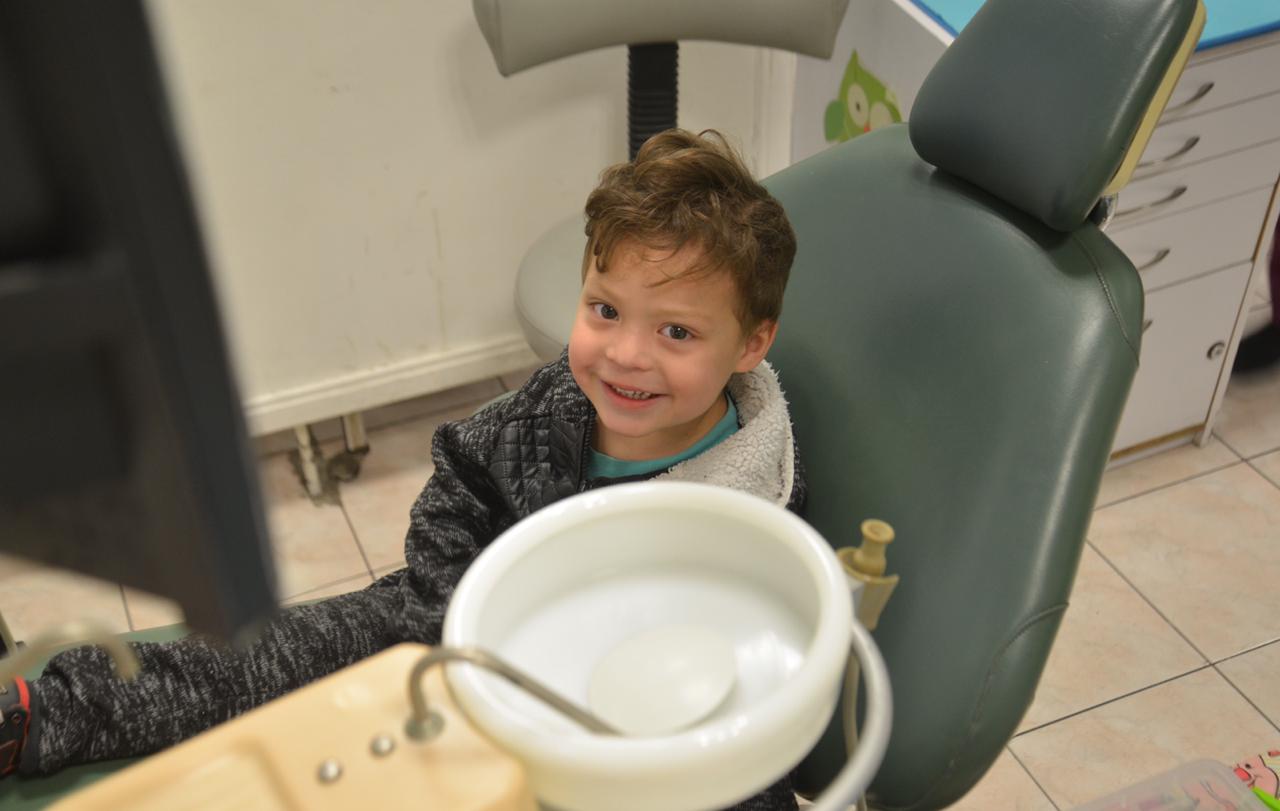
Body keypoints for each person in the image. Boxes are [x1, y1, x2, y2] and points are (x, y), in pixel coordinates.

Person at [0, 129, 807, 810]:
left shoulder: (750, 518)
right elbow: (463, 472)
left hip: (613, 728)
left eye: (676, 332)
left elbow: (753, 720)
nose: (626, 353)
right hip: (456, 625)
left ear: (750, 343)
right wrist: (457, 612)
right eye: (605, 310)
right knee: (265, 655)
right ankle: (43, 714)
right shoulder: (560, 398)